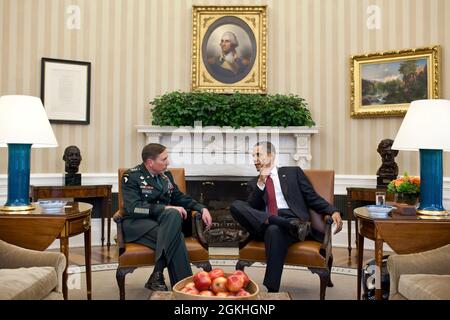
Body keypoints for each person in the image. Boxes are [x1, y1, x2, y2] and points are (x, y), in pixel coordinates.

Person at [230, 141, 343, 292]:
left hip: (292, 222)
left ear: (271, 156)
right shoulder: (254, 183)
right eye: (253, 156)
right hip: (265, 222)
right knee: (235, 205)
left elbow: (312, 198)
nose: (254, 159)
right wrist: (261, 183)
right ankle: (275, 220)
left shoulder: (293, 172)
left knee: (274, 230)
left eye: (258, 155)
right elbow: (252, 209)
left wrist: (333, 211)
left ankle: (272, 290)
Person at [121, 143, 213, 291]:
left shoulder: (166, 176)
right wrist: (165, 208)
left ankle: (159, 275)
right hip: (138, 224)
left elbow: (179, 197)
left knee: (172, 218)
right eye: (164, 159)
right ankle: (185, 287)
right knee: (176, 231)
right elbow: (133, 209)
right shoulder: (131, 176)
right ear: (150, 162)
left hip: (163, 224)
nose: (168, 162)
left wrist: (201, 208)